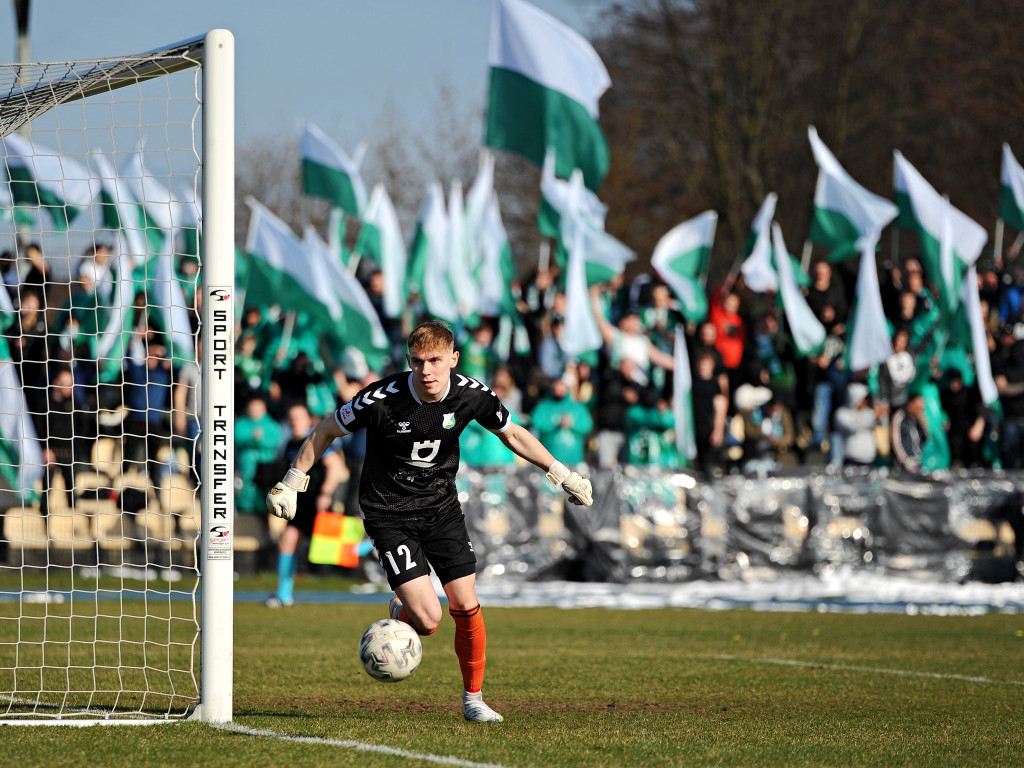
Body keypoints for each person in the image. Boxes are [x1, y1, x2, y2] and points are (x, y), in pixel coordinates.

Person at [266, 321, 593, 723]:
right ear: (408, 362)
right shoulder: (380, 398)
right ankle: (403, 613)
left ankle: (473, 699)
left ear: (453, 359)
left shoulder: (472, 394)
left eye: (436, 360)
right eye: (419, 362)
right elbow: (328, 429)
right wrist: (293, 480)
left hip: (441, 510)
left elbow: (513, 435)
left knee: (466, 603)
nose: (427, 370)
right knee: (428, 621)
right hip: (388, 513)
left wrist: (562, 473)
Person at [266, 403, 345, 608]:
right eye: (291, 417)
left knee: (341, 549)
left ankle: (372, 551)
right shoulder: (289, 445)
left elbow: (336, 467)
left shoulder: (315, 441)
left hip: (317, 502)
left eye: (299, 417)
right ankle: (284, 594)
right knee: (287, 541)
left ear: (309, 420)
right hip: (300, 505)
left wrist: (326, 494)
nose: (295, 421)